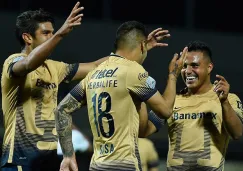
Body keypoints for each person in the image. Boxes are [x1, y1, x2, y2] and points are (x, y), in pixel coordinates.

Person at [54, 20, 188, 171]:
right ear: (142, 45)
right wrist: (173, 75)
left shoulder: (93, 75)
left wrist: (68, 155)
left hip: (97, 165)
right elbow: (165, 111)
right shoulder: (133, 72)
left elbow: (61, 109)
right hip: (124, 165)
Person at [1, 2, 107, 171]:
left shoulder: (55, 68)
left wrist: (127, 53)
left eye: (52, 32)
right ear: (27, 37)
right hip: (20, 160)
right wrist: (60, 34)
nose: (51, 37)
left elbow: (94, 66)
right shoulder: (13, 62)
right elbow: (28, 64)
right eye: (46, 33)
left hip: (49, 161)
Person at [141, 40, 243, 171]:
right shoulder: (172, 100)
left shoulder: (228, 98)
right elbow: (145, 130)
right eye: (184, 66)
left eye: (194, 65)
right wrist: (140, 95)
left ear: (209, 67)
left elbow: (237, 133)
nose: (188, 71)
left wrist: (224, 103)